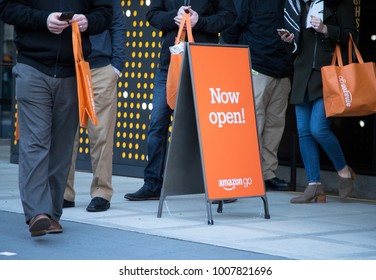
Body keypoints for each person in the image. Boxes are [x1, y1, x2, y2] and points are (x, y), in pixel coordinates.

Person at [0, 0, 112, 237]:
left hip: (73, 71)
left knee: (62, 147)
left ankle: (51, 214)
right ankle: (37, 213)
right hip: (33, 66)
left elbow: (105, 12)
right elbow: (6, 7)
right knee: (35, 142)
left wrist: (87, 22)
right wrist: (44, 20)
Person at [124, 0, 236, 201]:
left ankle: (219, 186)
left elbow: (228, 16)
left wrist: (199, 21)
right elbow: (152, 15)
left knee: (210, 125)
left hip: (205, 63)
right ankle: (152, 184)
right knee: (157, 124)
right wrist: (173, 18)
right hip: (169, 66)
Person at [281, 0, 358, 203]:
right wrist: (289, 41)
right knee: (304, 132)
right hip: (302, 74)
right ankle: (314, 185)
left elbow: (351, 37)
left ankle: (344, 171)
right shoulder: (298, 6)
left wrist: (326, 29)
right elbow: (298, 45)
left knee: (318, 128)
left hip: (328, 76)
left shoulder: (340, 4)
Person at [221, 0, 293, 192]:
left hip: (283, 69)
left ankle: (268, 174)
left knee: (274, 127)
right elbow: (230, 31)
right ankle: (248, 173)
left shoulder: (289, 3)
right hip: (258, 68)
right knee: (254, 124)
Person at [63, 0, 126, 212]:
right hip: (67, 67)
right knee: (65, 132)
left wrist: (115, 66)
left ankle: (101, 192)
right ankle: (64, 193)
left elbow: (117, 22)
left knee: (101, 135)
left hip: (100, 67)